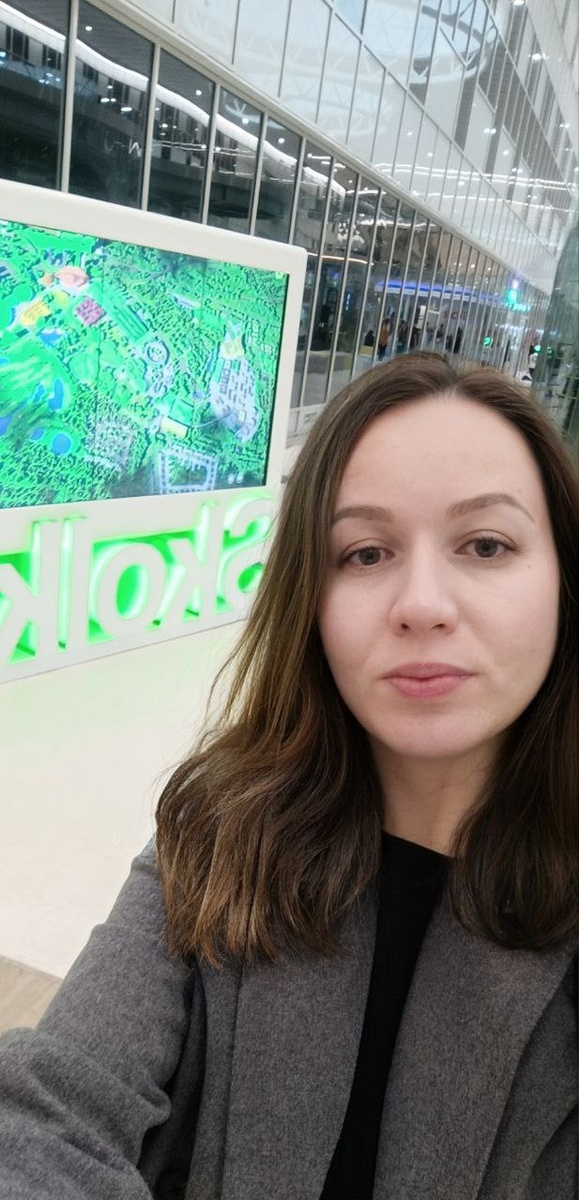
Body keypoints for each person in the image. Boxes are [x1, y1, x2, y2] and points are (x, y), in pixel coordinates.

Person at [0, 352, 577, 1199]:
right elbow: (54, 1109)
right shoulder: (223, 830)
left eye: (485, 545)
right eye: (365, 553)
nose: (421, 604)